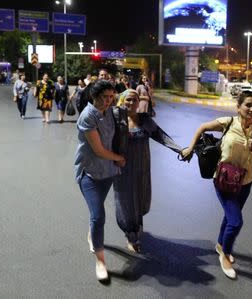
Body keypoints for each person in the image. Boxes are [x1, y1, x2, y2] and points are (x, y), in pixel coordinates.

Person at [181, 90, 252, 280]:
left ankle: (220, 244)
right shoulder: (227, 123)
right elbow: (202, 127)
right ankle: (225, 255)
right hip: (223, 180)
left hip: (245, 182)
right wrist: (190, 147)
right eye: (248, 105)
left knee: (229, 218)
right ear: (239, 107)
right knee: (236, 221)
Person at [113, 89, 182, 253]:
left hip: (142, 167)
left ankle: (137, 226)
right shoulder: (116, 120)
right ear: (122, 101)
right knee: (125, 202)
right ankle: (131, 235)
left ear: (139, 102)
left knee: (140, 198)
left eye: (134, 100)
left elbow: (160, 136)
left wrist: (179, 149)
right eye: (128, 100)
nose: (131, 103)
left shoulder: (144, 120)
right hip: (122, 169)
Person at [74, 80, 126, 281]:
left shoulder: (111, 112)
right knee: (98, 215)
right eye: (104, 97)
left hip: (108, 172)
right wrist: (119, 158)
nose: (108, 101)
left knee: (97, 213)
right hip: (89, 173)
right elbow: (98, 150)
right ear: (94, 97)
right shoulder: (88, 116)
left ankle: (92, 234)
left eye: (111, 96)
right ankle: (100, 261)